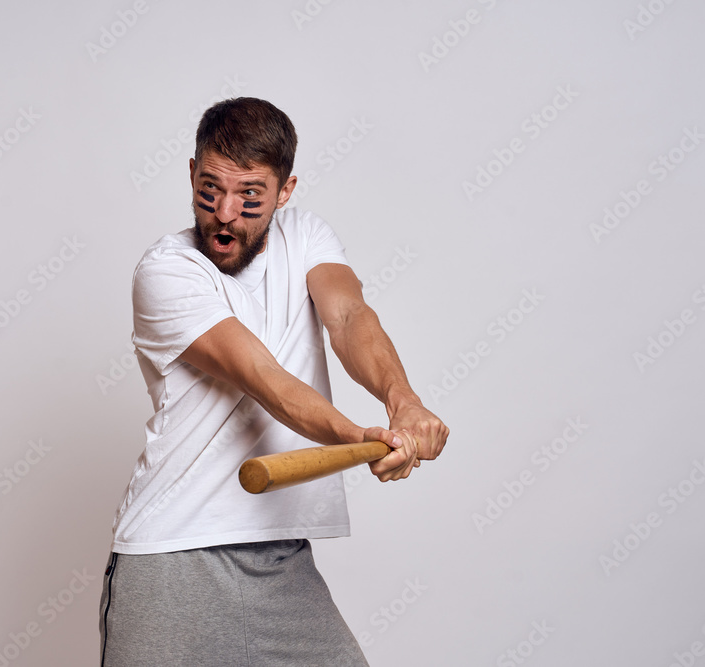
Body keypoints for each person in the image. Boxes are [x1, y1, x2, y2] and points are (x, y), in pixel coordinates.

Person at [100, 97, 449, 665]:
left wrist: (403, 402)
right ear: (191, 173)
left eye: (249, 196)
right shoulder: (166, 271)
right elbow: (264, 377)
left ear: (285, 191)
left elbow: (349, 317)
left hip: (282, 558)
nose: (225, 214)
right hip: (174, 559)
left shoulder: (306, 237)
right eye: (210, 190)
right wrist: (361, 437)